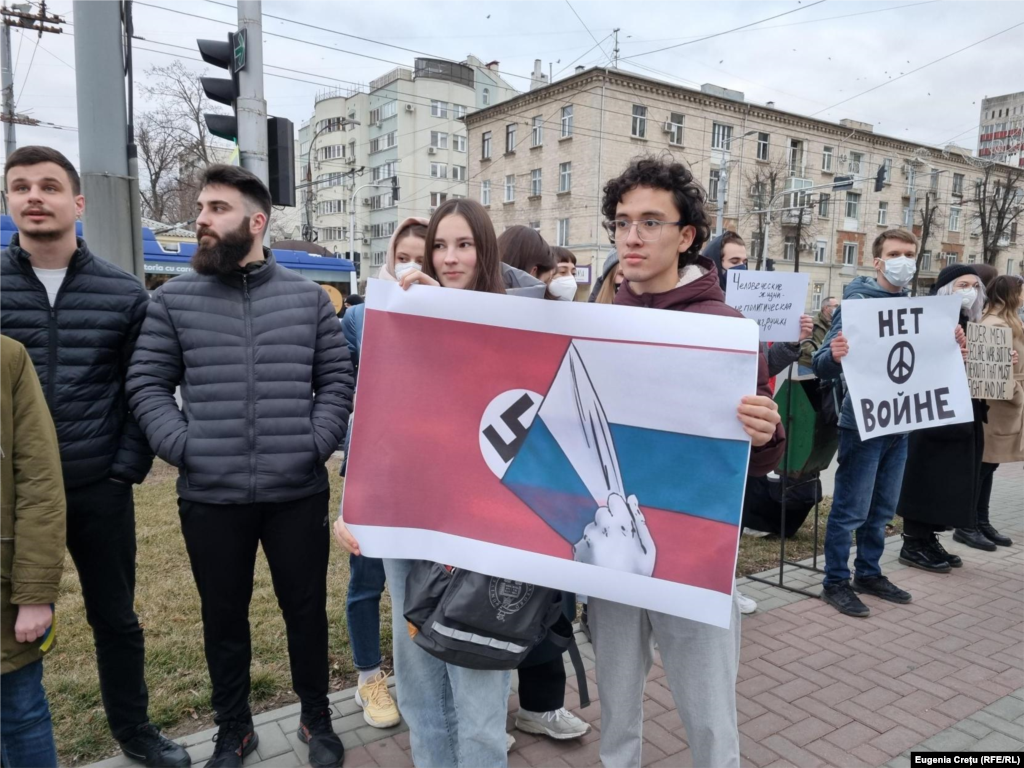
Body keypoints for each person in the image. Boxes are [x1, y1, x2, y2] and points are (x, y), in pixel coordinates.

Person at [127, 165, 353, 768]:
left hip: (295, 492)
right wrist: (186, 448)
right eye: (202, 207)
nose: (201, 218)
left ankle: (317, 718)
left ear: (256, 222)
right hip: (211, 496)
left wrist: (313, 444)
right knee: (222, 618)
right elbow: (148, 386)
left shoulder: (308, 301)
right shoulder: (172, 300)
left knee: (304, 611)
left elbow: (337, 383)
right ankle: (235, 728)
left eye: (217, 208)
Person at [0, 146, 189, 768]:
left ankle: (134, 731)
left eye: (49, 186)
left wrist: (123, 468)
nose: (34, 196)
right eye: (20, 186)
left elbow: (142, 389)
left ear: (76, 204)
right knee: (9, 634)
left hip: (95, 485)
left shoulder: (122, 293)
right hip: (10, 500)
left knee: (116, 619)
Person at [593, 157, 784, 768]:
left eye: (651, 221)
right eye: (622, 222)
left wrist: (766, 435)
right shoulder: (597, 323)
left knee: (709, 716)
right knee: (616, 709)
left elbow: (758, 456)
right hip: (612, 549)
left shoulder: (726, 329)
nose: (632, 236)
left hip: (696, 553)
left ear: (686, 236)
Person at [335, 198, 515, 767]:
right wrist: (354, 505)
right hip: (409, 526)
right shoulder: (399, 318)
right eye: (440, 245)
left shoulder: (519, 325)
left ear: (485, 251)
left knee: (480, 703)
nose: (450, 257)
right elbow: (373, 419)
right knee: (419, 687)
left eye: (464, 244)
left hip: (484, 533)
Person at [814, 229, 963, 618]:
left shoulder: (918, 308)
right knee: (851, 509)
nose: (904, 260)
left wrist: (952, 343)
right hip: (862, 425)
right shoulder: (857, 305)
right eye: (895, 253)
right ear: (877, 261)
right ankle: (834, 582)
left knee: (882, 509)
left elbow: (927, 363)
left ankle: (869, 573)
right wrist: (835, 354)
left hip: (899, 425)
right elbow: (820, 365)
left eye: (910, 254)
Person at [496, 226, 590, 742]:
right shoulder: (483, 320)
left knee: (549, 602)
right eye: (540, 274)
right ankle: (488, 713)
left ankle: (541, 704)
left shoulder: (562, 323)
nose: (550, 284)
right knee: (495, 603)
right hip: (501, 486)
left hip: (547, 485)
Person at [337, 218, 428, 730]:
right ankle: (370, 677)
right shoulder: (360, 317)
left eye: (422, 256)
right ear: (389, 262)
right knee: (367, 576)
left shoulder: (452, 311)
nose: (411, 266)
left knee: (424, 582)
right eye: (403, 257)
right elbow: (341, 383)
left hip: (428, 472)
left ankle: (425, 677)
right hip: (374, 468)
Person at [0, 335, 66, 768]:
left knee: (20, 715)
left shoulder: (8, 358)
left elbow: (40, 482)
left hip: (5, 596)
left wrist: (35, 592)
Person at [898, 265, 988, 571]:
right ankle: (913, 542)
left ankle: (929, 539)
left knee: (949, 480)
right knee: (927, 475)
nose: (970, 291)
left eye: (975, 286)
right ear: (946, 287)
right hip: (933, 413)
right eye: (963, 284)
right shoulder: (929, 319)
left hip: (963, 414)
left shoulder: (971, 322)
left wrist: (994, 361)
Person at [973, 275, 1024, 547]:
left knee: (989, 467)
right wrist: (1018, 394)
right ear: (1010, 295)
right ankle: (971, 524)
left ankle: (982, 521)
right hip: (996, 409)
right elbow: (991, 375)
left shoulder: (1007, 322)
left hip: (1003, 409)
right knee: (983, 467)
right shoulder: (994, 324)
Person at [798, 297, 839, 375]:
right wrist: (824, 351)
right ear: (826, 308)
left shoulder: (836, 324)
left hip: (826, 365)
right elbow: (806, 344)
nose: (837, 309)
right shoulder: (812, 323)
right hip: (808, 365)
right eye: (836, 306)